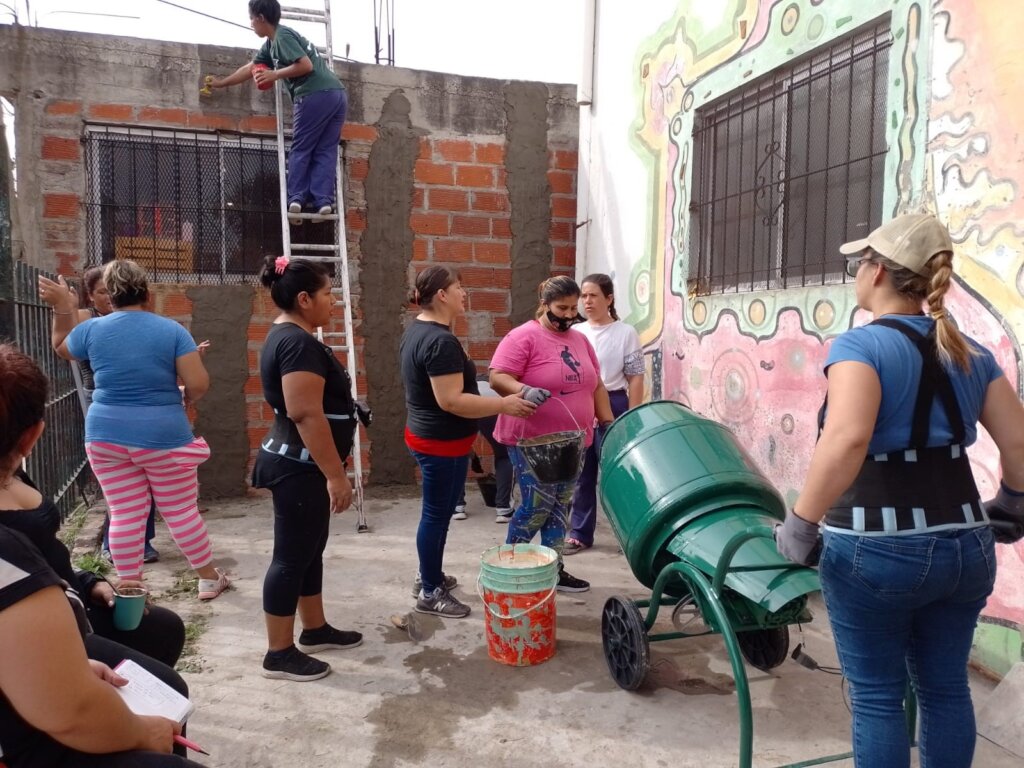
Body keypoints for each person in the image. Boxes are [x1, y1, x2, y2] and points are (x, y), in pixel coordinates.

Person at [775, 213, 1024, 768]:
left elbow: (846, 440)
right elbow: (1020, 443)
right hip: (966, 545)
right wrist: (1012, 503)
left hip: (874, 549)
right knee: (945, 689)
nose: (855, 273)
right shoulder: (971, 353)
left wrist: (799, 526)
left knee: (878, 698)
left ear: (880, 271)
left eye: (859, 263)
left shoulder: (859, 348)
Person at [0, 343, 203, 768]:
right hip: (27, 715)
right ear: (35, 433)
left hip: (58, 627)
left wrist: (88, 581)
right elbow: (68, 708)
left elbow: (48, 558)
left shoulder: (12, 471)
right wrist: (138, 731)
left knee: (163, 641)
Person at [46, 260, 229, 600]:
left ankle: (130, 585)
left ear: (109, 297)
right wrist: (185, 395)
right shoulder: (171, 330)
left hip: (105, 435)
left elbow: (60, 347)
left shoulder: (91, 330)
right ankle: (207, 579)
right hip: (163, 435)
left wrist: (62, 309)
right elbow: (199, 384)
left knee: (126, 511)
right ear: (146, 292)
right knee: (180, 510)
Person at [400, 265, 536, 618]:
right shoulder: (439, 341)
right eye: (459, 287)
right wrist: (503, 404)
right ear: (442, 295)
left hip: (433, 439)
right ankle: (430, 590)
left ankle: (428, 575)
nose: (465, 293)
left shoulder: (420, 331)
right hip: (439, 445)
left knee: (438, 514)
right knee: (436, 516)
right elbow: (451, 401)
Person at [252, 255, 363, 682]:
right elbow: (305, 413)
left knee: (309, 551)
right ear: (304, 299)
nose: (332, 303)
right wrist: (336, 475)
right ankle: (278, 653)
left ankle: (314, 629)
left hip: (303, 465)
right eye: (327, 294)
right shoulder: (296, 343)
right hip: (298, 466)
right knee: (290, 558)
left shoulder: (292, 337)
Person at [490, 276, 615, 593]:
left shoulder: (580, 339)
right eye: (562, 308)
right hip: (532, 441)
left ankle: (553, 569)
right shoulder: (523, 337)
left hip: (574, 440)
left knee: (561, 506)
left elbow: (597, 384)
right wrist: (524, 389)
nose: (570, 315)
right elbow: (497, 376)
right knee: (535, 507)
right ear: (544, 305)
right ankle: (512, 572)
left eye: (574, 309)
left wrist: (607, 422)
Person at [39, 267, 160, 564]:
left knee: (147, 478)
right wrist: (63, 307)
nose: (109, 296)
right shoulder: (86, 319)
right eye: (102, 291)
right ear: (90, 296)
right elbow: (63, 343)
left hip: (140, 402)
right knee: (122, 486)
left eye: (113, 289)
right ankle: (114, 544)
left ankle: (143, 541)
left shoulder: (136, 320)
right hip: (104, 401)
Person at [207, 0, 348, 222]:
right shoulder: (271, 45)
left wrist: (274, 75)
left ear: (261, 18)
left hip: (313, 94)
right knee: (325, 150)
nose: (251, 23)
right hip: (336, 95)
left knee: (302, 148)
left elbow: (305, 65)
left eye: (252, 18)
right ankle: (323, 203)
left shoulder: (282, 37)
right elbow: (250, 68)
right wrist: (221, 83)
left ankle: (296, 200)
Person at [565, 273, 645, 555]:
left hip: (614, 404)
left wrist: (632, 417)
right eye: (583, 296)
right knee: (582, 474)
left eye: (593, 295)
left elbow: (635, 377)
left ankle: (632, 534)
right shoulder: (576, 333)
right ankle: (579, 533)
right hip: (581, 405)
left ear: (609, 299)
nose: (587, 301)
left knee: (619, 473)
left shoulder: (625, 333)